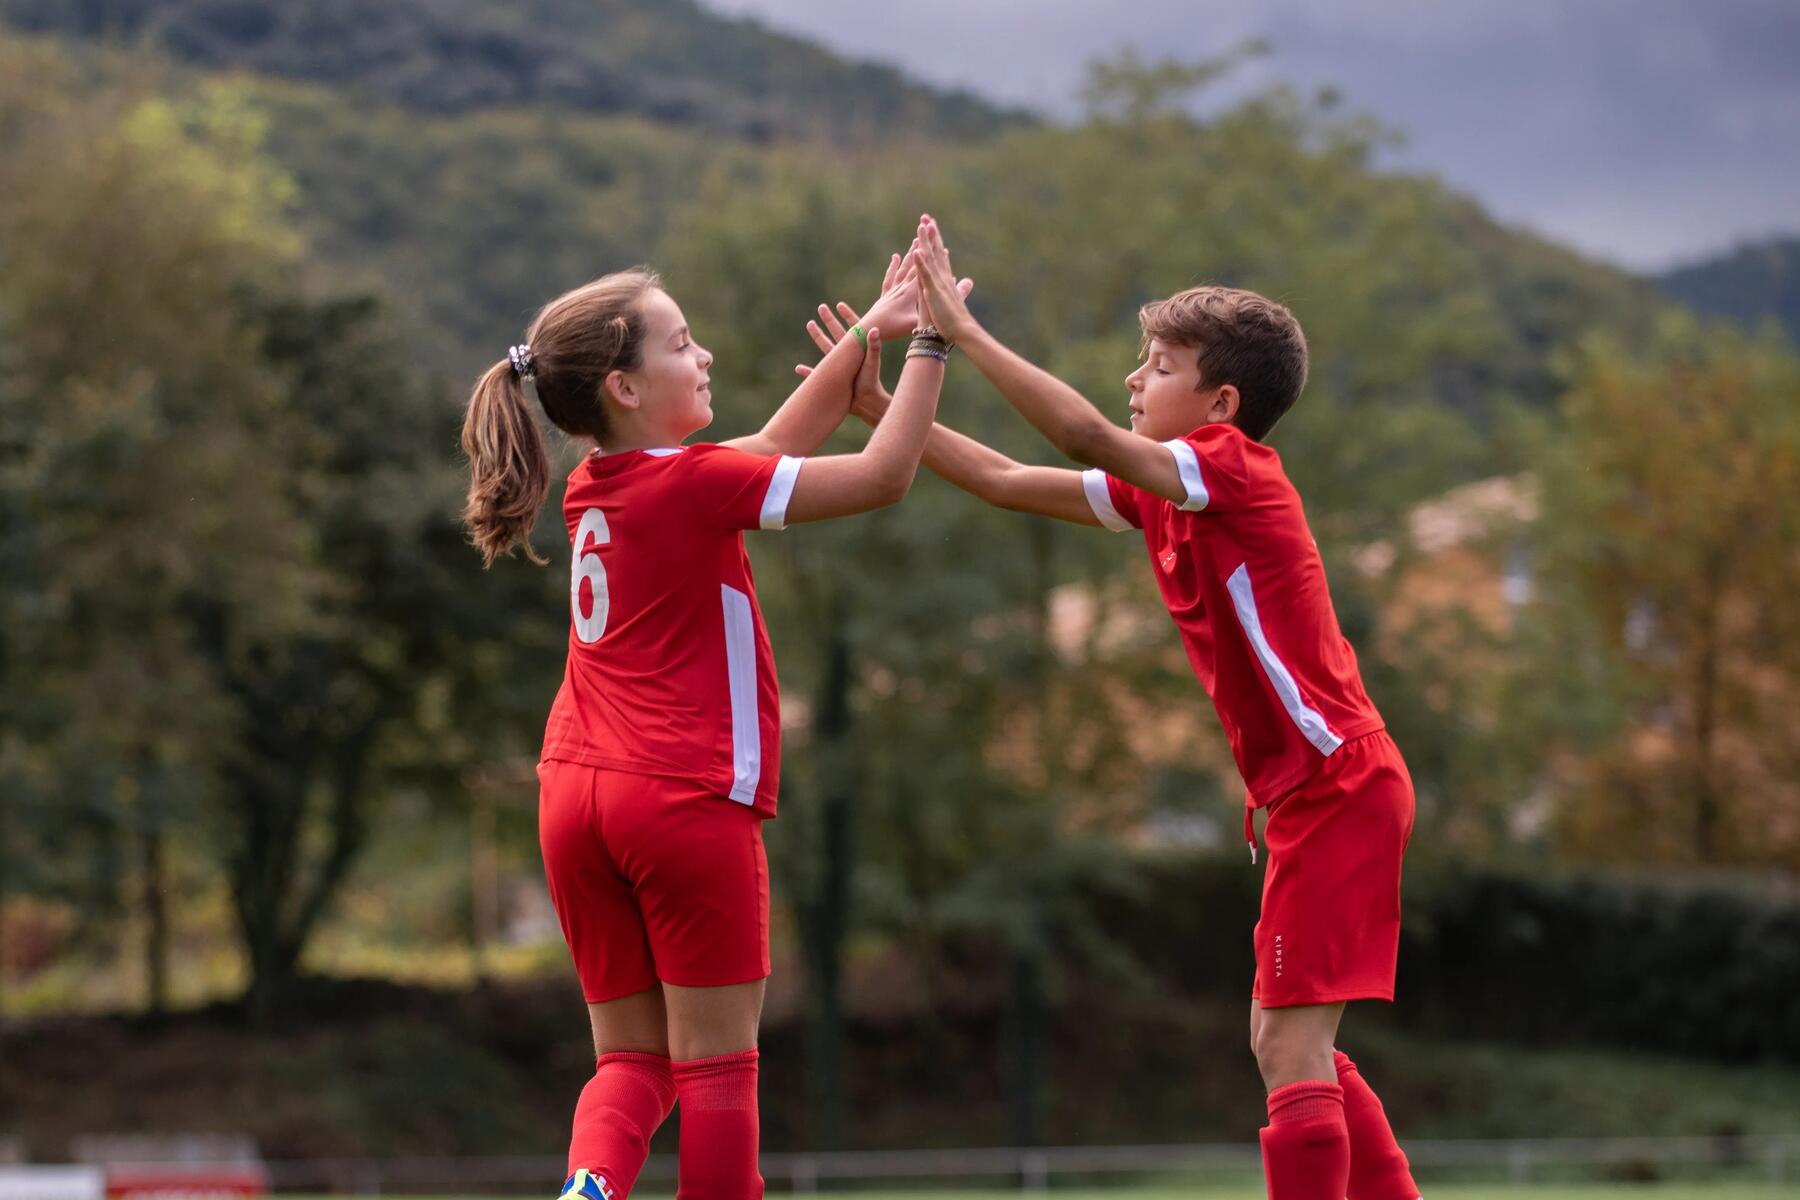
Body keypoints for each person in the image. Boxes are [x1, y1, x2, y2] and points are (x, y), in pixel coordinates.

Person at [801, 215, 1421, 1200]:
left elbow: (1084, 429)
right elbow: (1007, 479)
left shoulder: (1232, 470)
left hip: (1336, 784)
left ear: (1219, 403)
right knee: (1289, 1042)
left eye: (1157, 365)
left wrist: (960, 331)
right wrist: (881, 409)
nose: (1134, 380)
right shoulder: (1166, 494)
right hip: (1314, 793)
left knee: (1286, 1044)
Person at [461, 250, 956, 1200]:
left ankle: (589, 1188)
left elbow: (764, 450)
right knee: (717, 1070)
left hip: (574, 796)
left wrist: (870, 329)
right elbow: (886, 475)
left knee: (632, 1066)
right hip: (680, 795)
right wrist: (934, 339)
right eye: (683, 345)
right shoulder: (692, 487)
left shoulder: (597, 485)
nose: (706, 355)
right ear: (625, 386)